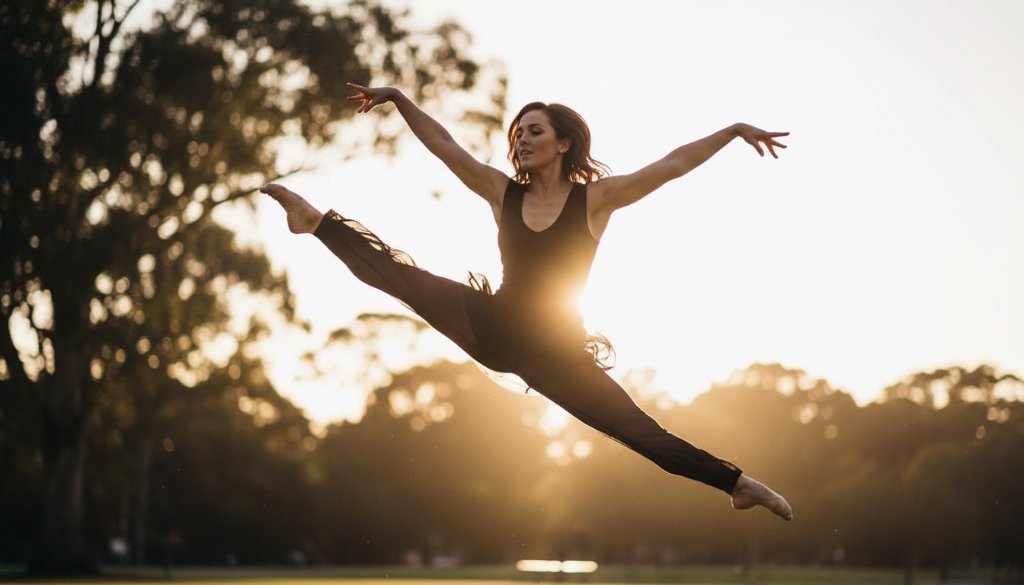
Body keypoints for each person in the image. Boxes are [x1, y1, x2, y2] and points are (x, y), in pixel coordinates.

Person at [261, 83, 794, 521]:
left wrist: (731, 131)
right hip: (491, 325)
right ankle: (314, 223)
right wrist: (400, 99)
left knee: (641, 433)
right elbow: (446, 147)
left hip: (557, 356)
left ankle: (738, 483)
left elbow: (672, 163)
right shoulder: (502, 193)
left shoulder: (596, 199)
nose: (521, 141)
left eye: (533, 131)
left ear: (563, 143)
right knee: (403, 279)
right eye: (516, 135)